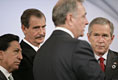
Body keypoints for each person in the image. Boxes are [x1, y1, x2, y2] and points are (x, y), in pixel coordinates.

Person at [33, 0, 105, 80]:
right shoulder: (78, 47)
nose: (87, 22)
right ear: (70, 18)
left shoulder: (40, 52)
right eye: (83, 16)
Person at [12, 8, 46, 80]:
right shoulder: (20, 57)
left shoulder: (47, 52)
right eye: (36, 28)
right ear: (24, 29)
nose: (41, 32)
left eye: (43, 27)